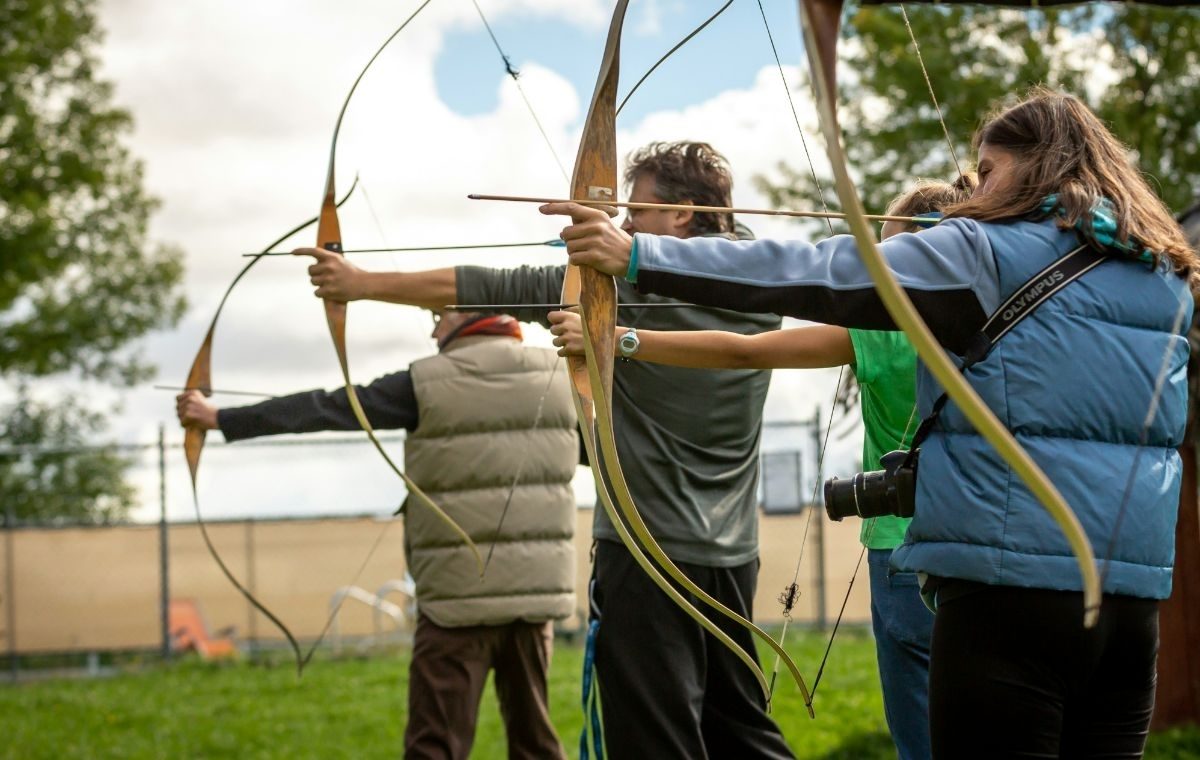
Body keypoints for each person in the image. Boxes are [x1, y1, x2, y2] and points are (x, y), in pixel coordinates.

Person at [545, 89, 1197, 758]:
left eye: (987, 170)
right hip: (1128, 608)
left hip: (1007, 597)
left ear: (1036, 166)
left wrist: (638, 255)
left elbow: (819, 269)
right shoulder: (1162, 269)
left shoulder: (983, 252)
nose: (974, 191)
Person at [297, 142, 794, 759]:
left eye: (635, 211)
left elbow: (491, 286)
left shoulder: (625, 293)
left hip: (645, 555)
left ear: (682, 213)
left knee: (653, 741)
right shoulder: (763, 285)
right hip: (734, 555)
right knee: (741, 731)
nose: (624, 223)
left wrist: (360, 283)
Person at [548, 176, 974, 760]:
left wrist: (616, 339)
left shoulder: (883, 330)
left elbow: (741, 352)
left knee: (922, 741)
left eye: (889, 252)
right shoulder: (1001, 322)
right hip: (983, 550)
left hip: (901, 552)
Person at [177, 309, 576, 760]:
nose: (433, 330)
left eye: (439, 316)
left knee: (435, 747)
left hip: (455, 602)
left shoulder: (425, 382)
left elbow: (327, 407)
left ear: (468, 310)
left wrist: (220, 417)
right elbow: (596, 453)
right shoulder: (559, 378)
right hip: (534, 602)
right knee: (535, 744)